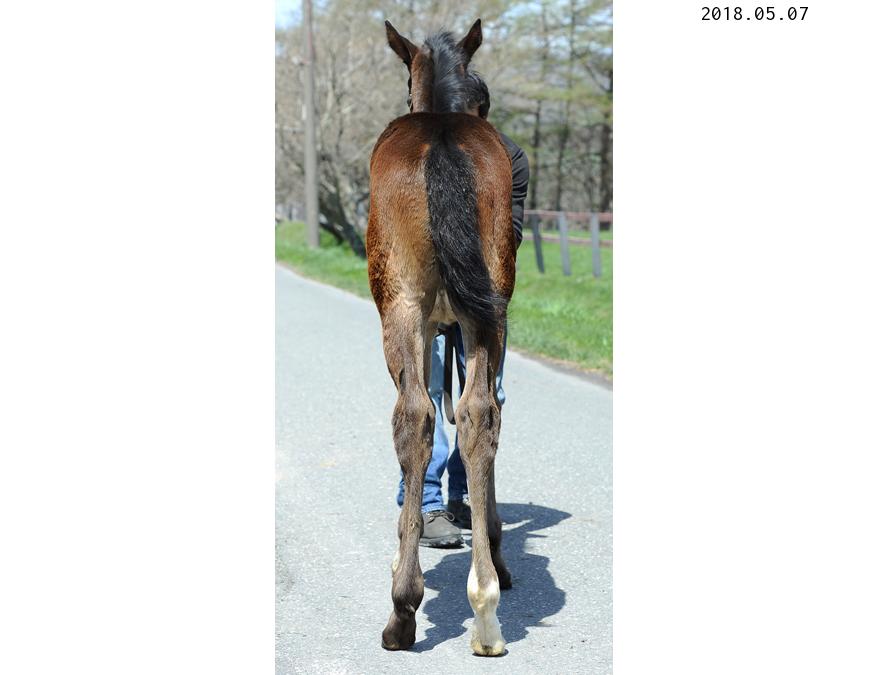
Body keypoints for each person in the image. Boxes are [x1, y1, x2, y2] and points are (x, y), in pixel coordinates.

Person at [395, 72, 529, 548]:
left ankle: (460, 493)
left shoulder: (506, 156)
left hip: (480, 288)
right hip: (428, 287)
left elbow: (509, 234)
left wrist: (469, 277)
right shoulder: (418, 152)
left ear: (481, 117)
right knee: (426, 392)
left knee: (488, 393)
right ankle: (426, 503)